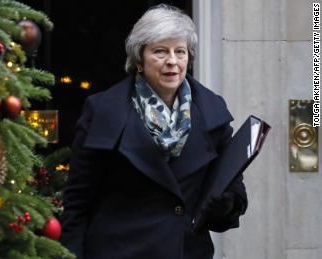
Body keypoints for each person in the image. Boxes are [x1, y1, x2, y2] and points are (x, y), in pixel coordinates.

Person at [60, 4, 247, 259]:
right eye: (160, 51)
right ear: (139, 59)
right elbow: (77, 203)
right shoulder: (102, 111)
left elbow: (233, 192)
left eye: (180, 52)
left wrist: (224, 206)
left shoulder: (213, 112)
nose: (172, 61)